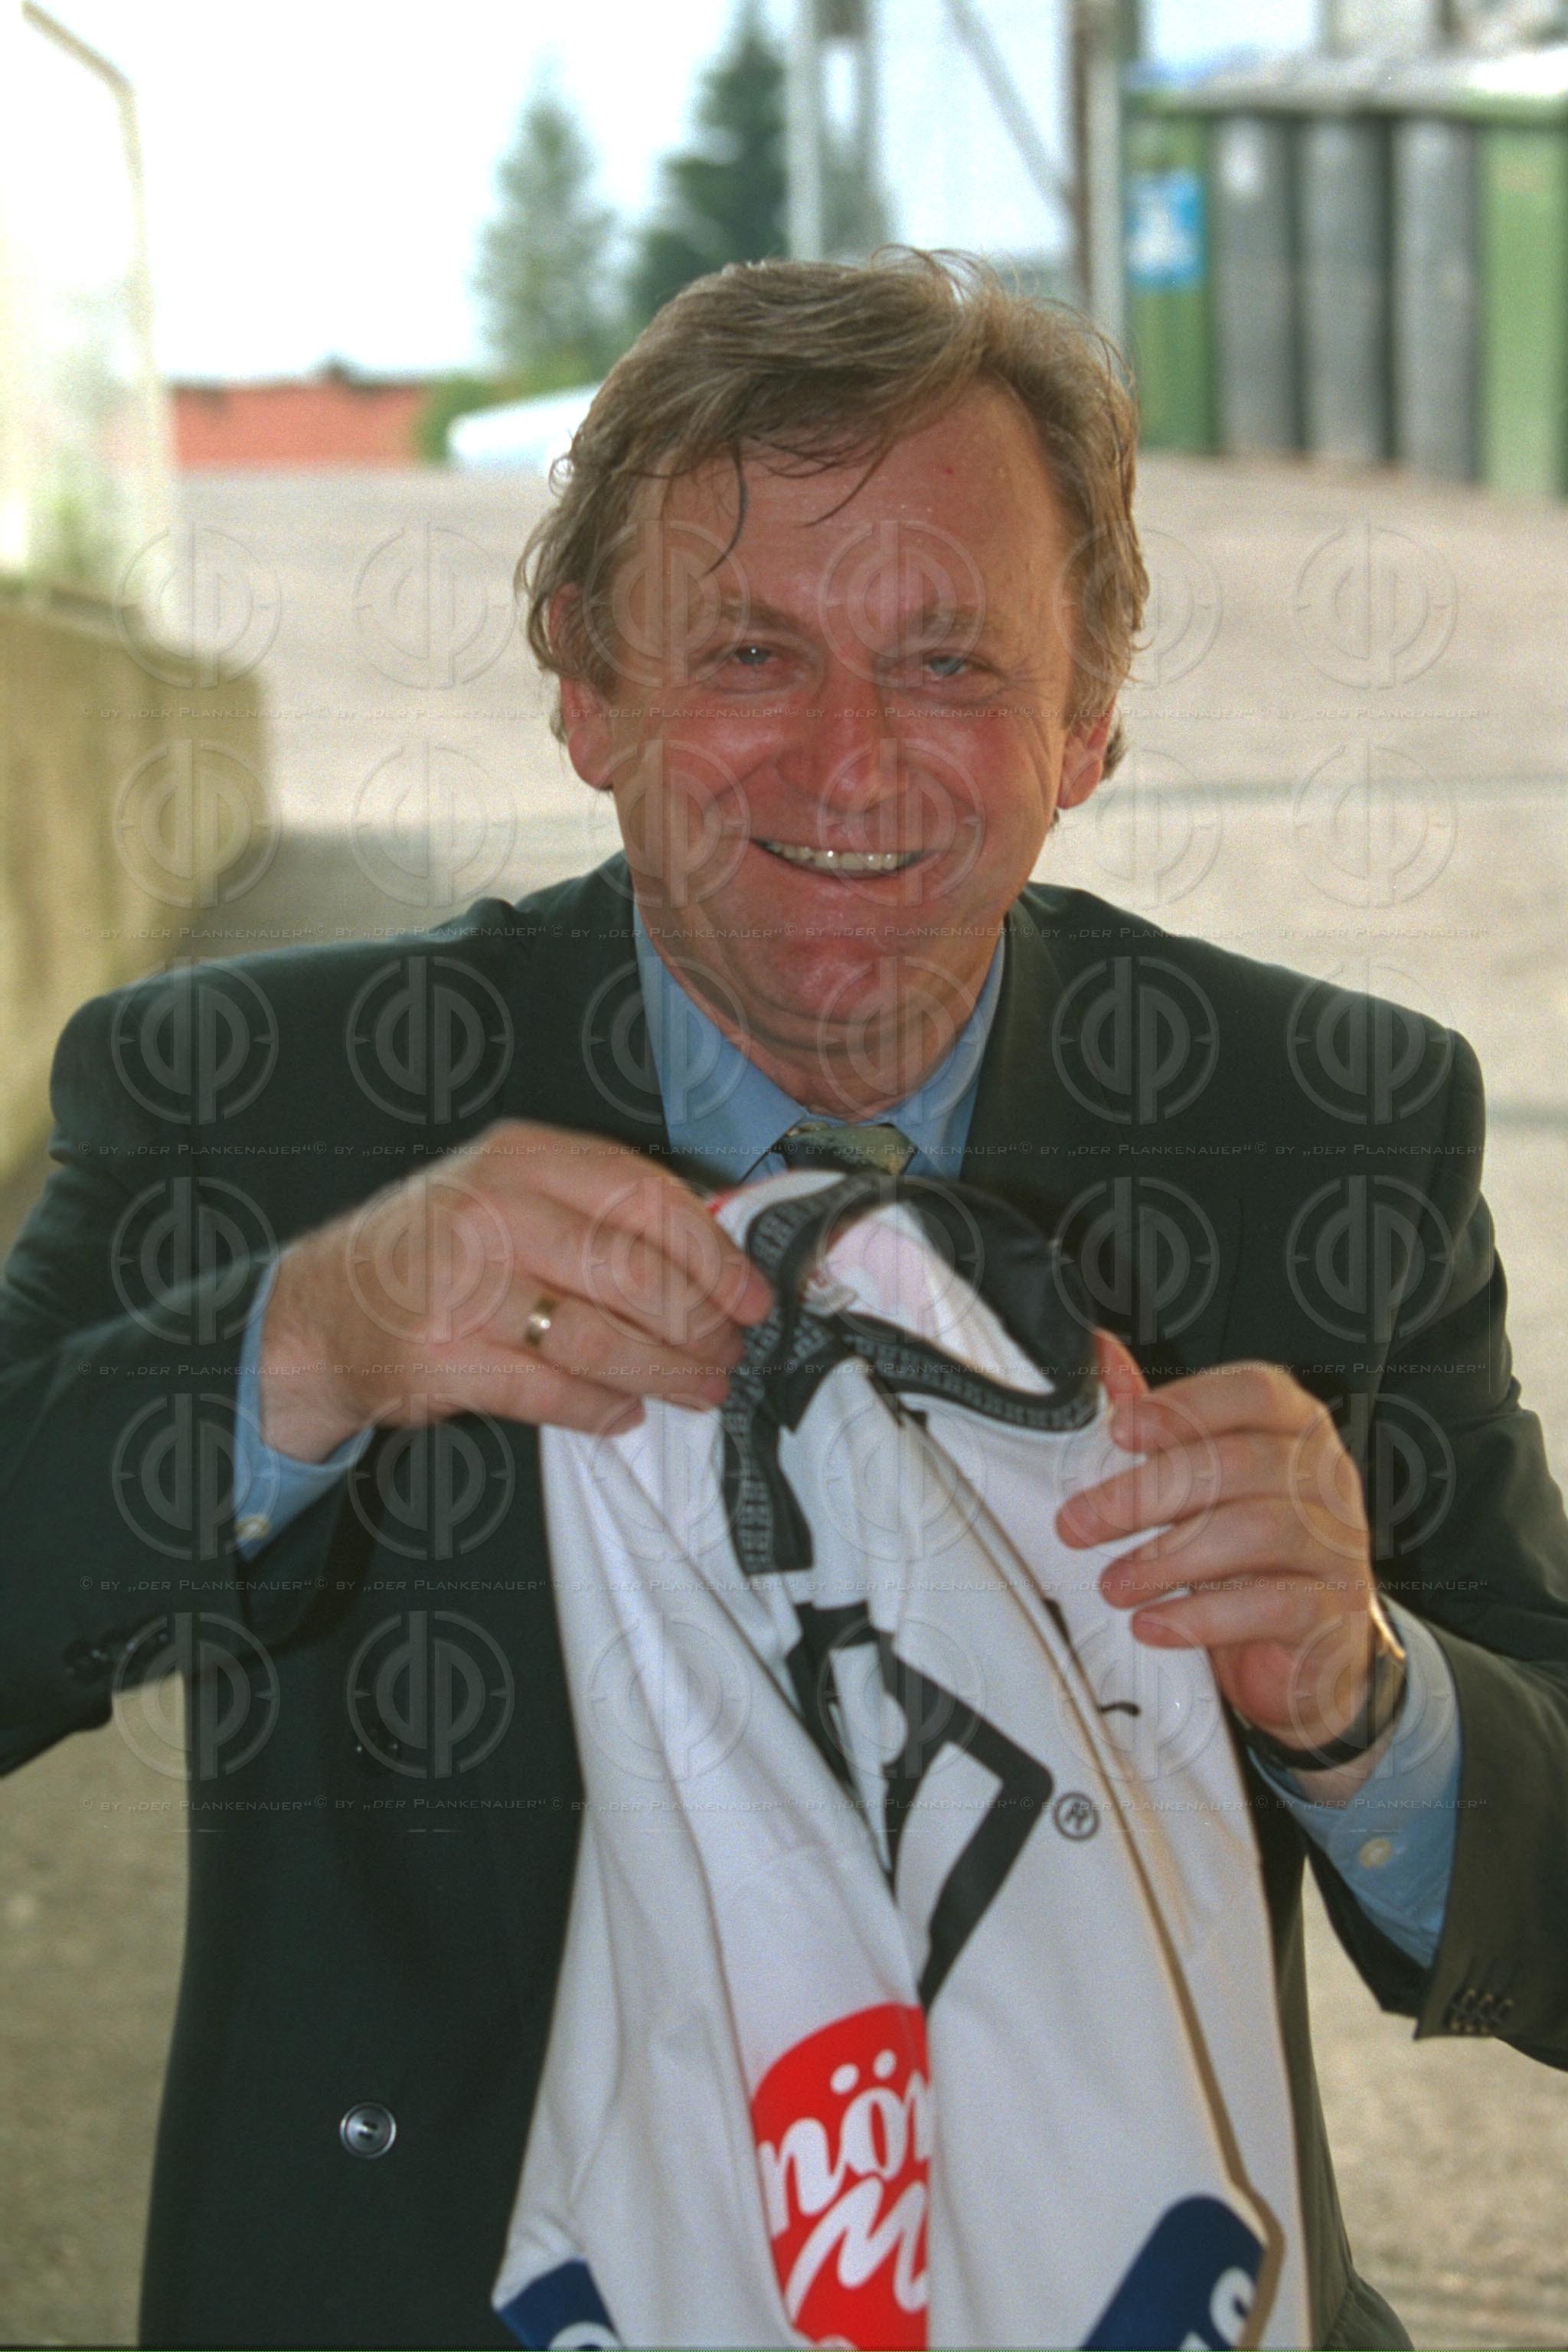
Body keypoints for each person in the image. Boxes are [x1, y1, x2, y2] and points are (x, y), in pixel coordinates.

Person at [2, 250, 1565, 2352]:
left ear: (1088, 718)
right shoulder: (255, 1099)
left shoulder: (1323, 1125)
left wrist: (1369, 1704)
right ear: (589, 692)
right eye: (751, 651)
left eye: (949, 660)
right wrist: (302, 1343)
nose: (849, 762)